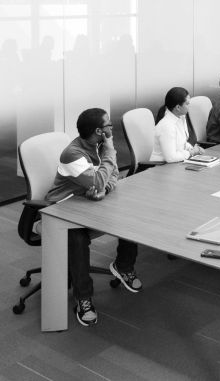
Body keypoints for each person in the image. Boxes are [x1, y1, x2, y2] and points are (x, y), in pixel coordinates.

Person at [45, 108, 142, 327]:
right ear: (99, 131)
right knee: (77, 239)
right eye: (108, 125)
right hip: (62, 207)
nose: (111, 128)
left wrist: (104, 190)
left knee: (130, 215)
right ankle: (84, 298)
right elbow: (99, 178)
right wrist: (109, 151)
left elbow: (114, 174)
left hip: (89, 203)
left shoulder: (98, 146)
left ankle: (123, 266)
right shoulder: (73, 153)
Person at [150, 87, 206, 162]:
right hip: (161, 168)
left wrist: (193, 148)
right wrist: (191, 152)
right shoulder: (167, 126)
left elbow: (182, 143)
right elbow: (171, 158)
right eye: (187, 104)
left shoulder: (181, 118)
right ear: (178, 107)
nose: (189, 106)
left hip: (175, 164)